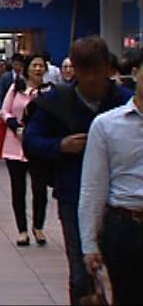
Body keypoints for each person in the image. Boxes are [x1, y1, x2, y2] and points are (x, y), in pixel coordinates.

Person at [24, 36, 133, 305]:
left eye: (97, 71)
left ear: (108, 68)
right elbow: (32, 140)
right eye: (85, 72)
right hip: (73, 194)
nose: (91, 79)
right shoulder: (57, 101)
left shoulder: (125, 103)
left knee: (126, 274)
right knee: (81, 271)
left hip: (120, 201)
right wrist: (60, 146)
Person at [79, 58, 143, 305]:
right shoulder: (106, 125)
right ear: (135, 74)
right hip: (125, 226)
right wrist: (89, 244)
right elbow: (93, 186)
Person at [0, 53, 51, 246]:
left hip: (39, 147)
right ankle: (22, 230)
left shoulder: (49, 91)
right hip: (15, 145)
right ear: (27, 68)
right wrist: (15, 125)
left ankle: (38, 227)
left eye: (41, 65)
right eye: (34, 65)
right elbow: (4, 111)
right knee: (18, 189)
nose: (38, 69)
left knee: (40, 189)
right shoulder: (16, 88)